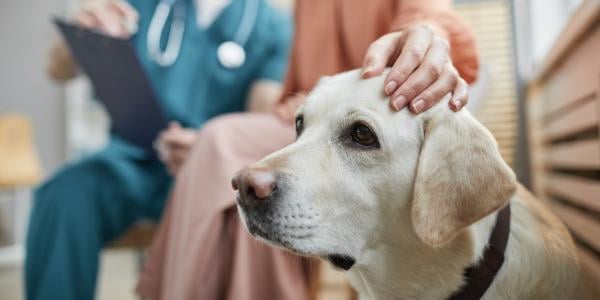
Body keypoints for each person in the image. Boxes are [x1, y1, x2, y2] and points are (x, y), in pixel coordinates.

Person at [135, 0, 479, 299]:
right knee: (222, 151)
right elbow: (293, 98)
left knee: (221, 145)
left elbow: (429, 16)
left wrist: (426, 36)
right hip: (306, 127)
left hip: (378, 133)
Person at [25, 0, 292, 299]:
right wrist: (82, 34)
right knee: (63, 194)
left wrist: (208, 145)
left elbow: (260, 115)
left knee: (237, 222)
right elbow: (56, 69)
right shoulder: (144, 5)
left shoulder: (272, 26)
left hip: (208, 175)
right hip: (129, 163)